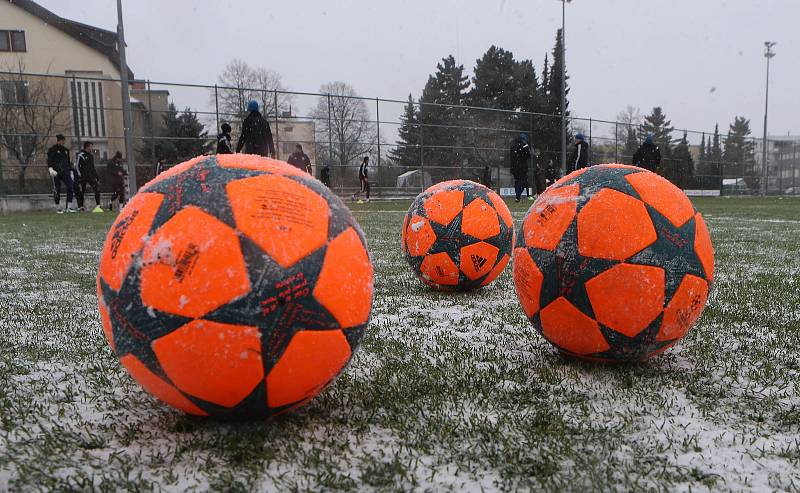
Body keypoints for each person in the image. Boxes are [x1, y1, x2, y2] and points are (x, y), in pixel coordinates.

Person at [47, 134, 76, 214]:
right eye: (62, 140)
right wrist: (50, 169)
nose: (64, 142)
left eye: (64, 141)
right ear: (59, 140)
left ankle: (69, 206)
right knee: (57, 189)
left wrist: (71, 171)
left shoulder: (66, 150)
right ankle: (58, 207)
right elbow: (50, 160)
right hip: (56, 172)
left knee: (70, 186)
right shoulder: (52, 150)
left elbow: (67, 161)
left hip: (65, 171)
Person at [75, 141, 102, 212]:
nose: (91, 148)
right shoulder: (81, 155)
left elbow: (92, 168)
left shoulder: (91, 156)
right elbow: (77, 166)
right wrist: (80, 176)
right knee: (82, 191)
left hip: (91, 177)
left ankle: (98, 207)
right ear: (87, 147)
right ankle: (80, 207)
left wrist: (97, 177)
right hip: (83, 177)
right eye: (91, 146)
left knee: (96, 189)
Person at [509, 133, 532, 202]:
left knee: (517, 182)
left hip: (514, 168)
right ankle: (518, 196)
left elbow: (512, 157)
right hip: (522, 168)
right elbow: (528, 155)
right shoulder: (524, 145)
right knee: (522, 182)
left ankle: (517, 196)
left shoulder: (513, 145)